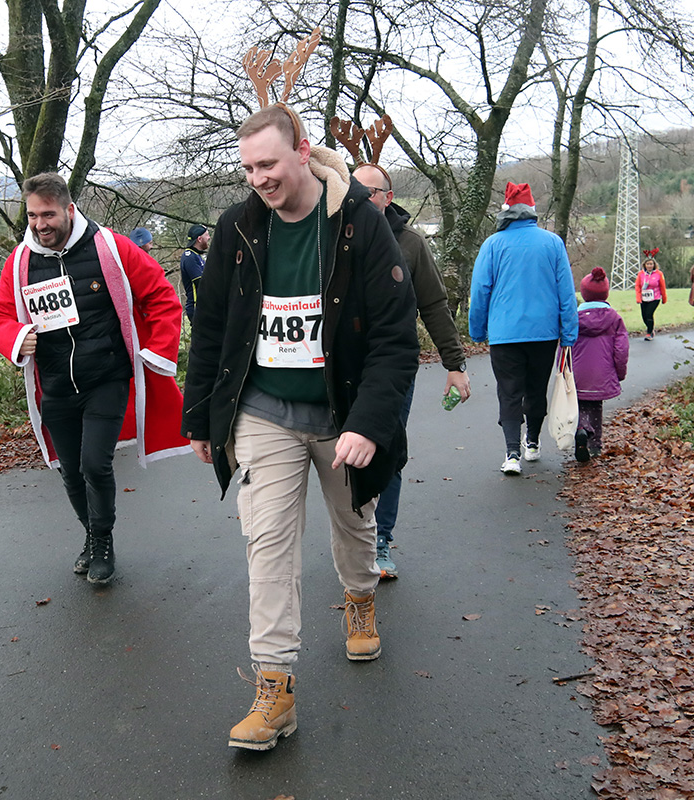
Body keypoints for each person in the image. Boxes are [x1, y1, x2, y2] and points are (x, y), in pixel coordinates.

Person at [181, 104, 419, 751]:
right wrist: (199, 415)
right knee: (268, 548)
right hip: (265, 414)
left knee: (353, 525)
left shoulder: (360, 227)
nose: (258, 178)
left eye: (268, 164)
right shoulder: (236, 229)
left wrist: (370, 423)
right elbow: (212, 332)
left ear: (303, 151)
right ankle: (275, 689)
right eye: (248, 167)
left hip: (342, 415)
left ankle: (361, 596)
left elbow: (396, 340)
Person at [0, 173, 189, 586]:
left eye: (48, 214)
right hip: (56, 385)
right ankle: (91, 537)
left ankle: (104, 541)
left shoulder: (111, 247)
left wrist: (156, 353)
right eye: (32, 216)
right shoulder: (21, 261)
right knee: (70, 470)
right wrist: (17, 337)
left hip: (106, 377)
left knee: (96, 464)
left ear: (69, 210)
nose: (40, 224)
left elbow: (162, 297)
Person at [352, 162, 470, 580]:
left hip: (394, 370)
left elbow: (434, 305)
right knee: (344, 458)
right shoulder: (334, 235)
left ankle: (379, 540)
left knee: (386, 454)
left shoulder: (411, 244)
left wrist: (454, 365)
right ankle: (354, 539)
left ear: (388, 196)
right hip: (344, 370)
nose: (364, 198)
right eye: (355, 189)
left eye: (372, 192)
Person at [468, 182, 578, 476]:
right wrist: (569, 334)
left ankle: (511, 453)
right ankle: (532, 442)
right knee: (536, 390)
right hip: (544, 333)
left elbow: (480, 290)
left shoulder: (493, 244)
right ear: (532, 212)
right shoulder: (553, 243)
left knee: (509, 392)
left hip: (505, 334)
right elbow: (566, 292)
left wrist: (477, 331)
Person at [572, 268, 628, 462]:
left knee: (580, 403)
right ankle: (595, 444)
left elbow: (564, 347)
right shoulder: (614, 318)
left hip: (578, 372)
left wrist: (562, 373)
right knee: (596, 404)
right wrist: (619, 373)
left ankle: (581, 429)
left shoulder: (574, 318)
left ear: (584, 293)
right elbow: (621, 349)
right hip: (602, 372)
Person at [180, 224, 210, 321]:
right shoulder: (190, 257)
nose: (209, 238)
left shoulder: (198, 256)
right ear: (199, 239)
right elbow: (201, 283)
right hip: (197, 308)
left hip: (205, 307)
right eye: (207, 235)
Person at [635, 255, 667, 341]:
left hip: (655, 298)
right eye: (648, 264)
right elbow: (637, 286)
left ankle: (649, 332)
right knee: (644, 316)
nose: (649, 266)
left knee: (649, 314)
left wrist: (664, 298)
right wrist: (638, 298)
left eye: (651, 264)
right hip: (644, 298)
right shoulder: (640, 274)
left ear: (654, 265)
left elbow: (662, 286)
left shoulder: (659, 274)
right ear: (644, 265)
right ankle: (650, 328)